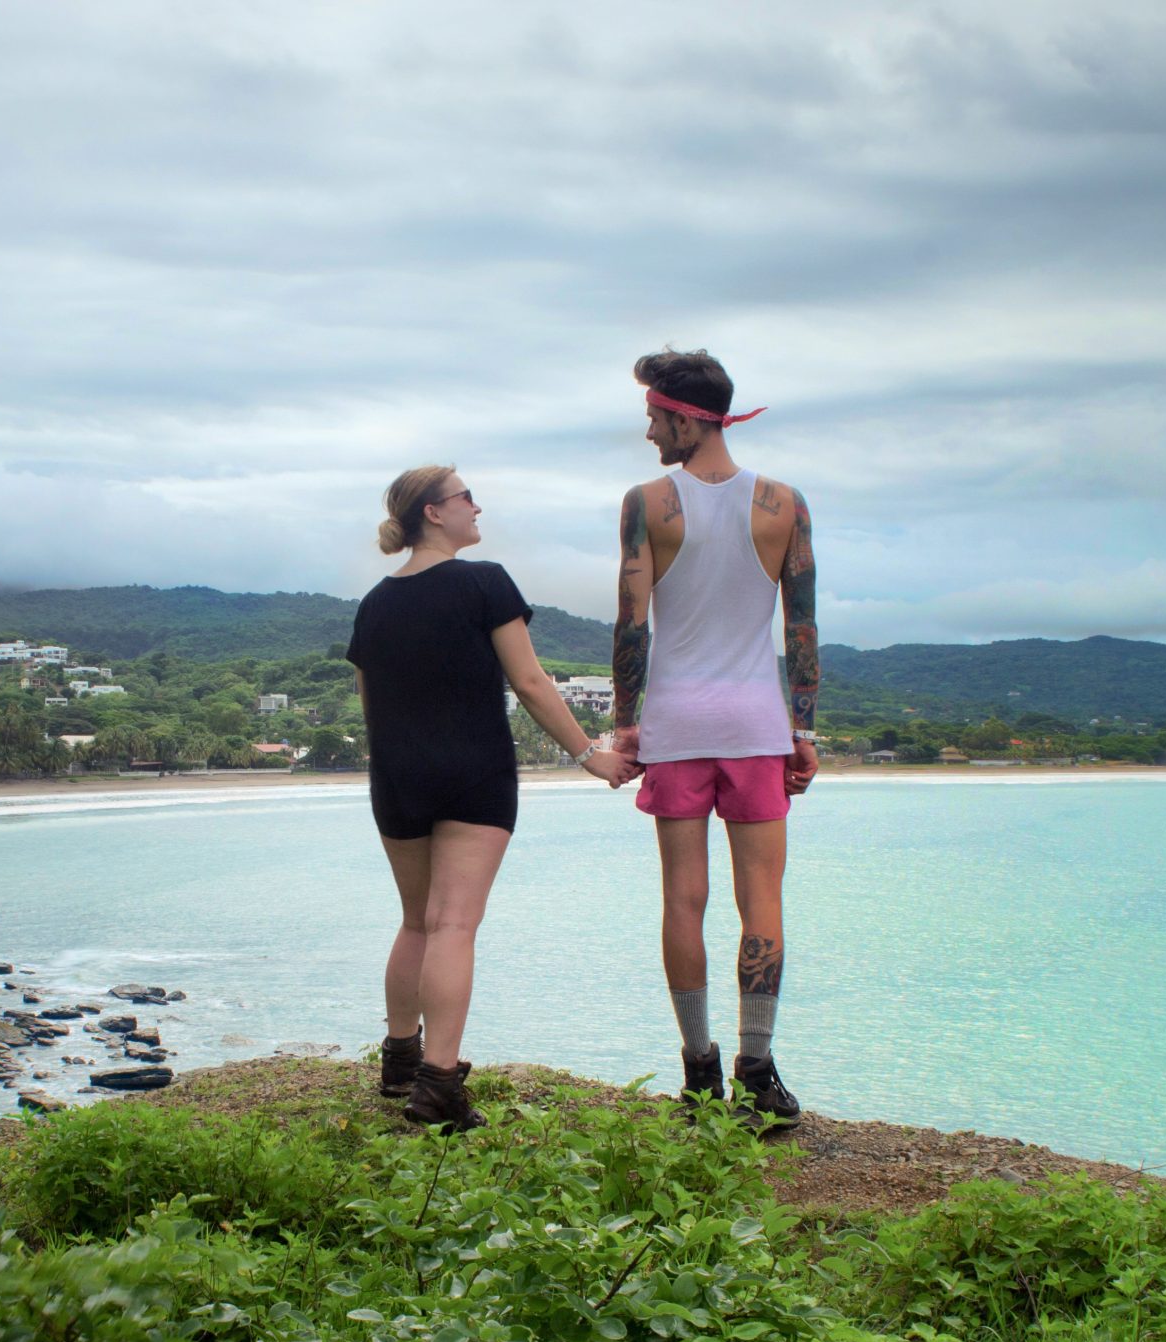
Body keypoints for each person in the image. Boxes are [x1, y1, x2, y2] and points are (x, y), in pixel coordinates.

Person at [349, 465, 632, 1132]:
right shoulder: (485, 581)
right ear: (433, 513)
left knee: (416, 919)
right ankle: (438, 1084)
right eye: (466, 497)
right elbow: (531, 682)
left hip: (395, 774)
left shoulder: (373, 603)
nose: (479, 507)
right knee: (453, 924)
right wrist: (591, 756)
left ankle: (399, 1060)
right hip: (473, 769)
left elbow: (371, 702)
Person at [611, 350, 820, 1129]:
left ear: (688, 417)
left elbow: (632, 623)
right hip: (757, 725)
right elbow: (801, 626)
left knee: (682, 899)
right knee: (761, 898)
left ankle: (700, 1072)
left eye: (654, 415)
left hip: (676, 725)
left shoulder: (647, 504)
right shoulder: (782, 503)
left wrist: (627, 724)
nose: (647, 428)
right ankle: (758, 1068)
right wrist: (802, 727)